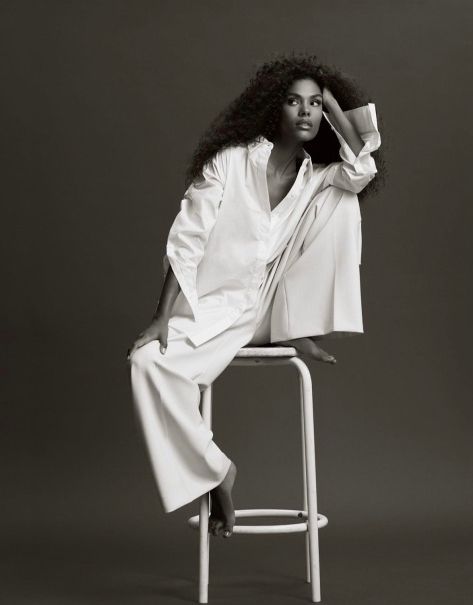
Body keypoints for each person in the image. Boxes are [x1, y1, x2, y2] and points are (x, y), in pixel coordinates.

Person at [127, 53, 384, 539]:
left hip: (259, 306)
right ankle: (218, 471)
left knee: (345, 201)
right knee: (145, 364)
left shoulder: (314, 178)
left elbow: (360, 171)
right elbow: (188, 238)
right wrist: (162, 316)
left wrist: (333, 100)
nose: (305, 112)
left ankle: (299, 326)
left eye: (314, 105)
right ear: (274, 107)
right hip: (206, 306)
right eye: (294, 101)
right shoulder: (231, 162)